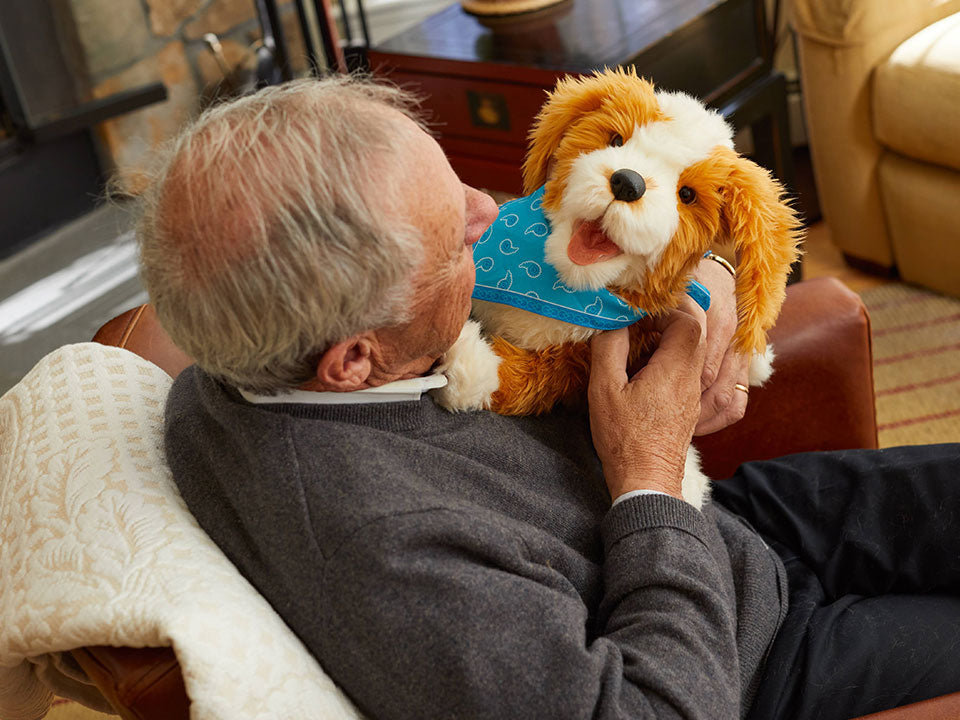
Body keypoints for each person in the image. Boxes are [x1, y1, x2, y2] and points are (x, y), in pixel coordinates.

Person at [138, 76, 960, 720]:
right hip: (747, 663)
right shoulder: (390, 552)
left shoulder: (252, 338)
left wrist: (701, 270)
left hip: (725, 530)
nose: (487, 212)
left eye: (452, 182)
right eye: (451, 236)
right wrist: (649, 471)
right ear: (356, 360)